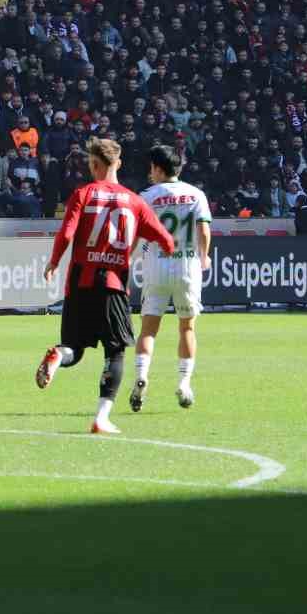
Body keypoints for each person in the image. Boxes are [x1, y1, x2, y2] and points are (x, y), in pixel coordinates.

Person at [37, 139, 175, 435]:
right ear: (118, 164)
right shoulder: (135, 202)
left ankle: (58, 356)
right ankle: (101, 418)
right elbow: (167, 240)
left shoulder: (83, 194)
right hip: (113, 285)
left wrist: (53, 262)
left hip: (79, 283)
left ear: (94, 165)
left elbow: (67, 232)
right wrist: (150, 246)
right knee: (115, 352)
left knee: (73, 348)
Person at [132, 145, 212, 412]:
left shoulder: (146, 196)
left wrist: (127, 258)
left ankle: (142, 376)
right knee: (187, 327)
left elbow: (135, 232)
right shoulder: (196, 193)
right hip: (187, 267)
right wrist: (204, 256)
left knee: (148, 329)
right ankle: (184, 383)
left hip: (156, 266)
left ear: (157, 168)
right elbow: (203, 228)